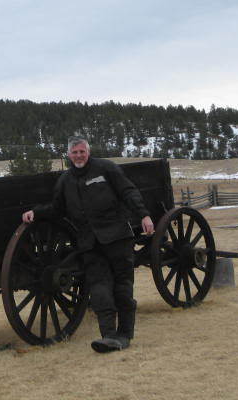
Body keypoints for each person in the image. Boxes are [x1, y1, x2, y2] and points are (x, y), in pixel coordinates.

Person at [22, 136, 154, 353]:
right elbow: (57, 208)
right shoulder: (65, 180)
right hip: (89, 243)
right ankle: (109, 337)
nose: (79, 156)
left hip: (117, 237)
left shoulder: (106, 168)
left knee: (122, 287)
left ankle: (125, 334)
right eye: (74, 153)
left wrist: (144, 216)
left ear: (88, 152)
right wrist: (35, 212)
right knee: (99, 289)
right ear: (69, 155)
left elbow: (128, 192)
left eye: (82, 151)